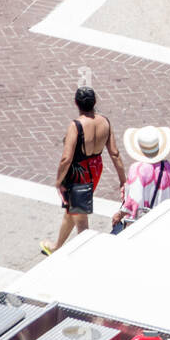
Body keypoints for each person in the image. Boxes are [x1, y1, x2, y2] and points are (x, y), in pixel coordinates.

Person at [41, 87, 124, 255]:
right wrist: (123, 179)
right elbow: (114, 153)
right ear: (95, 102)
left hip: (78, 172)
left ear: (76, 103)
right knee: (73, 209)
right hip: (95, 168)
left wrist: (59, 180)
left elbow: (66, 158)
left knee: (81, 221)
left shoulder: (76, 125)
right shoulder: (105, 122)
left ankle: (85, 256)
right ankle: (57, 246)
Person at [111, 125, 170, 231]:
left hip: (140, 226)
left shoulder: (136, 169)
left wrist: (119, 214)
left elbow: (133, 201)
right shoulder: (167, 168)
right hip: (163, 225)